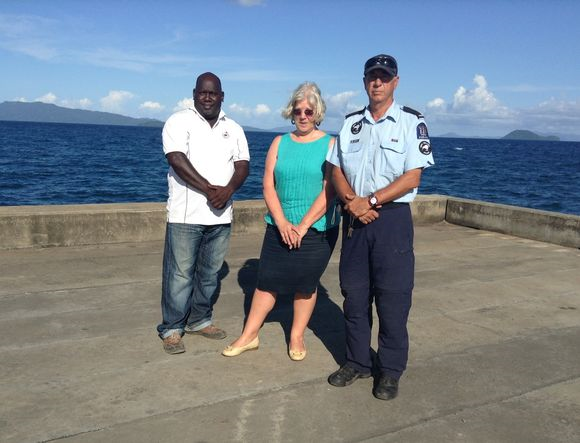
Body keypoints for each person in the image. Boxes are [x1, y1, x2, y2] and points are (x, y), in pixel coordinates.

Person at [326, 54, 434, 400]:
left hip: (391, 220)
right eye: (372, 76)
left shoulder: (411, 122)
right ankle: (357, 361)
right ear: (364, 82)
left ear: (395, 82)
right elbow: (336, 168)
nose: (377, 82)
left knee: (393, 299)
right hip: (354, 218)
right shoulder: (351, 123)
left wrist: (370, 201)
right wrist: (351, 201)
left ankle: (389, 370)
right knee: (355, 296)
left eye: (384, 77)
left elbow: (413, 176)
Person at [222, 82, 339, 361]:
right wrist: (283, 223)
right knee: (267, 281)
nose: (303, 116)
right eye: (298, 111)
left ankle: (297, 335)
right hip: (279, 226)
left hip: (317, 228)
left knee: (305, 284)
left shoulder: (330, 144)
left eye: (309, 111)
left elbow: (330, 190)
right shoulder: (279, 142)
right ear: (291, 112)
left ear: (318, 113)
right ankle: (249, 335)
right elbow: (268, 185)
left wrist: (303, 225)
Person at [157, 72, 250, 354]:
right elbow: (176, 158)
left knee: (209, 274)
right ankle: (172, 328)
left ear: (222, 96)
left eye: (213, 93)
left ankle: (199, 320)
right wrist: (209, 189)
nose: (207, 97)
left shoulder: (233, 128)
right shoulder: (178, 121)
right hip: (185, 216)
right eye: (203, 92)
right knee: (180, 275)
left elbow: (243, 165)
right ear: (194, 94)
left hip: (221, 216)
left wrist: (228, 190)